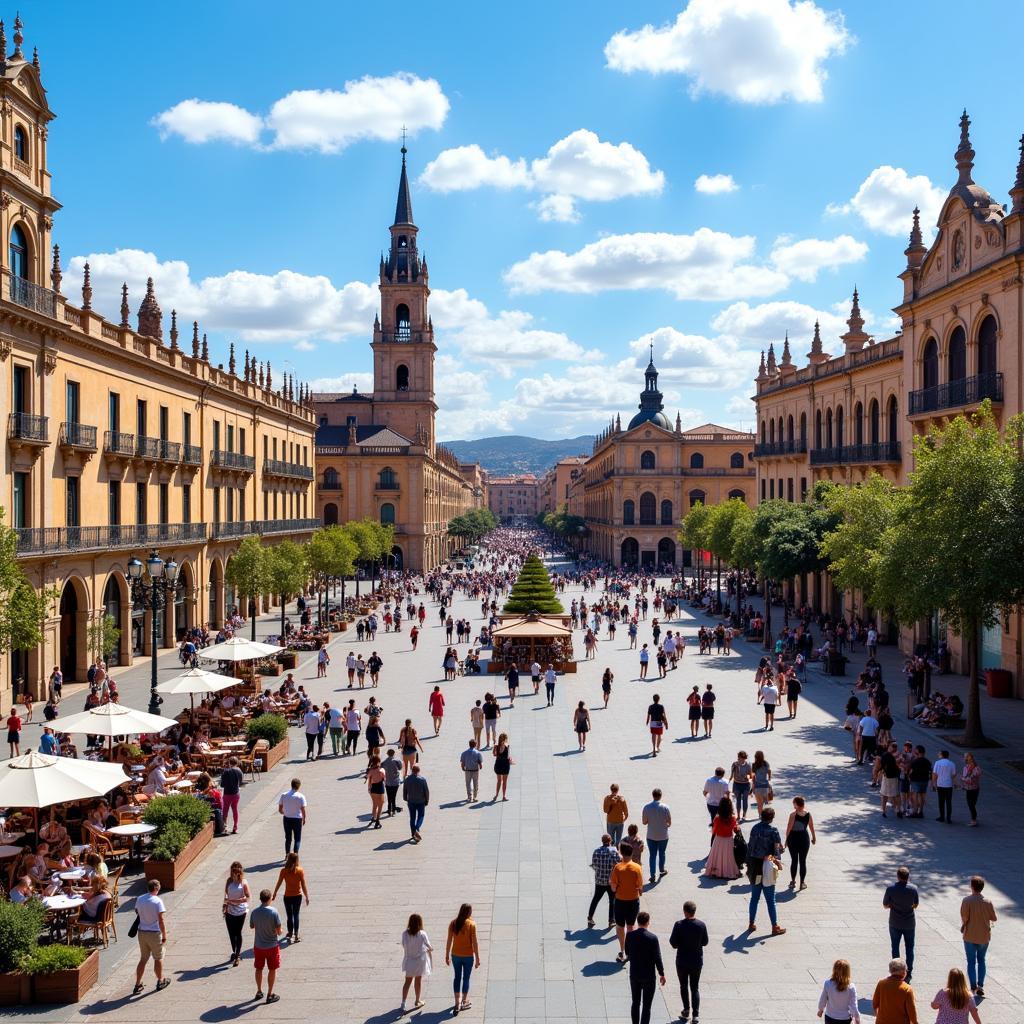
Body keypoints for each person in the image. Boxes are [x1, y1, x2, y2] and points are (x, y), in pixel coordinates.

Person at [746, 807, 785, 935]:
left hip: (755, 867)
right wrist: (779, 854)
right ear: (772, 818)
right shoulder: (773, 831)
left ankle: (751, 923)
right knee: (770, 899)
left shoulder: (754, 828)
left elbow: (750, 847)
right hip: (767, 867)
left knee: (754, 898)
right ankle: (774, 926)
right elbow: (777, 850)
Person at [669, 901, 708, 1023]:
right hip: (696, 961)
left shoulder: (679, 925)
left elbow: (673, 943)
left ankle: (686, 1010)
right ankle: (696, 1015)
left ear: (684, 911)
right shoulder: (701, 925)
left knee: (683, 986)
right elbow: (705, 942)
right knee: (695, 987)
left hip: (682, 961)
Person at [624, 911, 666, 1024]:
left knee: (635, 1002)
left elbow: (627, 951)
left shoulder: (630, 935)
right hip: (648, 976)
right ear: (648, 922)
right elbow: (658, 958)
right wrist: (661, 973)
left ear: (638, 922)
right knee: (647, 1006)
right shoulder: (653, 938)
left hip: (635, 974)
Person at [960, 875, 996, 997]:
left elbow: (965, 917)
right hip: (984, 936)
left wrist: (964, 925)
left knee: (971, 962)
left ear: (972, 887)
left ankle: (973, 986)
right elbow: (994, 918)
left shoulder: (966, 901)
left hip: (970, 935)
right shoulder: (988, 901)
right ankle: (980, 985)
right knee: (982, 960)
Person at [132, 879, 170, 995]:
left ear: (148, 888)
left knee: (143, 959)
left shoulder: (140, 899)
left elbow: (137, 912)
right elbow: (161, 920)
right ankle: (160, 980)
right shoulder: (158, 901)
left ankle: (138, 984)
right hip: (154, 933)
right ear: (157, 889)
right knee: (158, 958)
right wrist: (164, 934)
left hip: (142, 932)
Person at [610, 842, 644, 963]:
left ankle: (622, 950)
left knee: (620, 926)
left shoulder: (617, 868)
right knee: (630, 926)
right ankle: (630, 950)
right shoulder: (637, 868)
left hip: (620, 901)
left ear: (621, 853)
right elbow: (640, 887)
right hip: (633, 901)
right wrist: (639, 892)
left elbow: (613, 887)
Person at [883, 866, 918, 982]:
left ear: (898, 877)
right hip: (909, 922)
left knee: (895, 947)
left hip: (895, 922)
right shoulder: (913, 889)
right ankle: (909, 973)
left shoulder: (891, 889)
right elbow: (916, 904)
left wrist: (893, 905)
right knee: (909, 948)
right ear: (908, 877)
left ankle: (896, 971)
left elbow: (885, 905)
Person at [445, 903, 481, 1015]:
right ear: (469, 912)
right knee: (466, 978)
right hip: (468, 956)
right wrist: (478, 957)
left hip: (455, 955)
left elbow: (449, 940)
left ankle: (457, 1002)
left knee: (457, 977)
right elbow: (475, 943)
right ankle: (464, 1000)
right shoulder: (472, 924)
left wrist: (447, 955)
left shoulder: (453, 923)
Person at [250, 888, 283, 1005]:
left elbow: (252, 926)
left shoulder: (254, 912)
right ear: (270, 899)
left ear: (260, 899)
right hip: (272, 946)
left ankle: (259, 991)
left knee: (259, 968)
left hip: (258, 946)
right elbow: (279, 932)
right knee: (272, 969)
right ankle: (270, 994)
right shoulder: (274, 912)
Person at [272, 851, 309, 941]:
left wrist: (275, 892)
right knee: (296, 915)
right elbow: (303, 885)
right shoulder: (300, 870)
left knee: (289, 916)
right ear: (296, 860)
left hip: (287, 896)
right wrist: (306, 896)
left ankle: (289, 933)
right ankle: (296, 935)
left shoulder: (284, 871)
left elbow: (279, 882)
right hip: (297, 896)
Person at [401, 912, 432, 1013]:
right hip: (419, 961)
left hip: (409, 960)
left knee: (407, 982)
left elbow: (403, 945)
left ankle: (403, 1003)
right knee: (418, 981)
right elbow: (429, 947)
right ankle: (417, 1000)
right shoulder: (422, 934)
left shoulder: (405, 934)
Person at [588, 833, 621, 929]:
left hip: (599, 881)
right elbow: (618, 864)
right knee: (612, 901)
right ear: (610, 841)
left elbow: (594, 865)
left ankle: (590, 918)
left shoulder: (596, 851)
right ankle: (611, 920)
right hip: (611, 881)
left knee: (595, 899)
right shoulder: (614, 851)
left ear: (602, 841)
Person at [705, 796, 740, 880]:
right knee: (728, 857)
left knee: (717, 856)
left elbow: (714, 831)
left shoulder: (717, 818)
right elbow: (735, 829)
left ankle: (716, 871)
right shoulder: (733, 818)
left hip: (719, 839)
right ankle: (727, 871)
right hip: (728, 840)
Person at [784, 796, 816, 889]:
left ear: (796, 804)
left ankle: (793, 881)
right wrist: (814, 837)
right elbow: (811, 826)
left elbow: (789, 828)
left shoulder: (793, 815)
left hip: (793, 838)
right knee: (803, 861)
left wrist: (786, 840)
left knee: (794, 861)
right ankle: (802, 883)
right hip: (804, 838)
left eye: (793, 803)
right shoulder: (808, 814)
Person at [872, 958, 917, 1024]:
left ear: (890, 971)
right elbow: (912, 1011)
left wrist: (879, 1016)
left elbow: (875, 1004)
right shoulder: (907, 989)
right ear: (904, 972)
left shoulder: (881, 983)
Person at [223, 861, 250, 966]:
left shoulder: (243, 882)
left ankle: (237, 955)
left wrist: (237, 901)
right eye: (233, 870)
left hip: (240, 911)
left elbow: (247, 897)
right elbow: (226, 894)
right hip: (229, 910)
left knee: (238, 932)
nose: (235, 873)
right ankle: (234, 950)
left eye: (237, 871)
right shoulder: (229, 881)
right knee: (231, 932)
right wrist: (225, 906)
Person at [817, 958, 860, 1024]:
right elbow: (853, 1005)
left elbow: (823, 999)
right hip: (845, 1019)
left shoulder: (828, 984)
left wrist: (821, 1009)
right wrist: (857, 1018)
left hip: (830, 1017)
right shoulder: (851, 987)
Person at [642, 788, 671, 884]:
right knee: (662, 853)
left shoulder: (647, 807)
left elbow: (644, 822)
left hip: (651, 835)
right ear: (660, 796)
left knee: (652, 855)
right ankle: (662, 870)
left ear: (652, 795)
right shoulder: (665, 807)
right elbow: (669, 822)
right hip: (663, 835)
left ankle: (652, 874)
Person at [278, 778, 307, 856]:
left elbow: (280, 809)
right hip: (297, 819)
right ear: (299, 786)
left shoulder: (284, 795)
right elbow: (303, 809)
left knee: (288, 838)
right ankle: (295, 855)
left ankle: (287, 855)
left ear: (291, 785)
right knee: (297, 838)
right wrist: (304, 819)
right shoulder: (301, 796)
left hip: (287, 819)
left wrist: (285, 812)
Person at [403, 763, 429, 842]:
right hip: (421, 801)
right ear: (418, 771)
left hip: (411, 801)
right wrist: (427, 800)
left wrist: (405, 798)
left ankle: (413, 833)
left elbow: (405, 790)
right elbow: (426, 791)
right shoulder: (422, 779)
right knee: (421, 815)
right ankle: (417, 828)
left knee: (412, 818)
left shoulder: (407, 779)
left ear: (412, 770)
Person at [221, 757, 243, 834]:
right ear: (236, 763)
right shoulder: (239, 771)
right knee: (235, 809)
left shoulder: (226, 771)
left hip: (227, 794)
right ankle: (235, 827)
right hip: (236, 794)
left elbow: (222, 785)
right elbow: (240, 782)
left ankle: (225, 827)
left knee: (225, 810)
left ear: (229, 763)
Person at [730, 751, 753, 821]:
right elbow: (732, 774)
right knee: (738, 800)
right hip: (737, 784)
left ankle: (744, 815)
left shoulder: (748, 765)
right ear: (738, 757)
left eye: (744, 758)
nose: (743, 760)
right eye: (741, 758)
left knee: (745, 800)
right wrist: (728, 781)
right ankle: (738, 815)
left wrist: (748, 777)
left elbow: (750, 775)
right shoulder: (734, 764)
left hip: (746, 785)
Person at [961, 753, 981, 827]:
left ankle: (974, 820)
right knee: (972, 804)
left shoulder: (975, 768)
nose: (964, 758)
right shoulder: (966, 767)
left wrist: (963, 779)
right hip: (970, 788)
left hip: (973, 789)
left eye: (965, 757)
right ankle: (974, 818)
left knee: (971, 805)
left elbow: (971, 780)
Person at [367, 755, 386, 828]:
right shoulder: (381, 770)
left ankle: (374, 817)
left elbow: (369, 779)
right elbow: (384, 778)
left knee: (374, 804)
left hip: (373, 788)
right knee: (380, 804)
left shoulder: (370, 770)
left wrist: (369, 788)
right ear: (378, 762)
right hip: (379, 787)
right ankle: (377, 820)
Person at [383, 748, 403, 816]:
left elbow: (382, 769)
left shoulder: (384, 762)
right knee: (393, 796)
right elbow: (400, 768)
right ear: (394, 753)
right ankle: (393, 809)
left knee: (389, 796)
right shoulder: (397, 761)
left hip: (388, 781)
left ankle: (389, 809)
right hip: (395, 781)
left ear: (387, 754)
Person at [751, 751, 772, 816]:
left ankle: (760, 815)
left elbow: (753, 776)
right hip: (765, 785)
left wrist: (753, 786)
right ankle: (766, 815)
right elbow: (769, 771)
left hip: (757, 786)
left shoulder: (754, 765)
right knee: (766, 802)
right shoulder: (766, 763)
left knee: (759, 803)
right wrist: (769, 777)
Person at [493, 732, 511, 801]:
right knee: (504, 781)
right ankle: (503, 796)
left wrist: (495, 749)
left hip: (498, 765)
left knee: (499, 781)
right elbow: (508, 757)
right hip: (505, 765)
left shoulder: (496, 746)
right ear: (505, 739)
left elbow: (494, 755)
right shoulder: (507, 746)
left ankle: (496, 795)